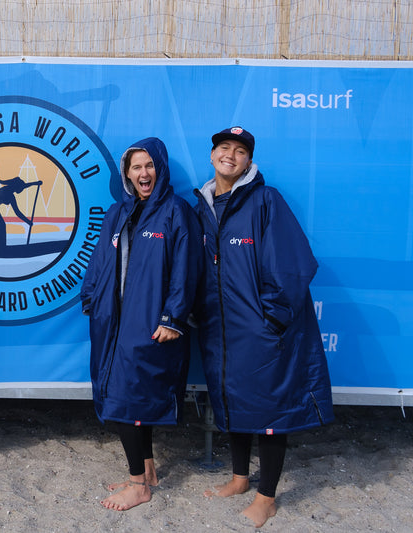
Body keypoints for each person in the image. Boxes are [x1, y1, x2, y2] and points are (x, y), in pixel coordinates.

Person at [193, 127, 334, 527]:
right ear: (212, 155)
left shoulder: (265, 201)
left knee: (270, 407)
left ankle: (267, 496)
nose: (230, 156)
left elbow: (295, 264)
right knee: (235, 399)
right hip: (222, 329)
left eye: (239, 151)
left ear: (248, 161)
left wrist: (270, 318)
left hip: (260, 330)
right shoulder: (203, 206)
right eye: (224, 148)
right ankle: (239, 478)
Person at [80, 137, 202, 511]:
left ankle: (138, 486)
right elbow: (100, 261)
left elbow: (187, 268)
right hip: (112, 320)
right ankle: (147, 471)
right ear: (127, 173)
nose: (143, 173)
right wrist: (90, 297)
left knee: (127, 397)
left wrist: (173, 317)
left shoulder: (176, 211)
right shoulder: (118, 212)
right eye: (136, 167)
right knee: (126, 393)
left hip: (150, 322)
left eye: (149, 165)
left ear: (160, 168)